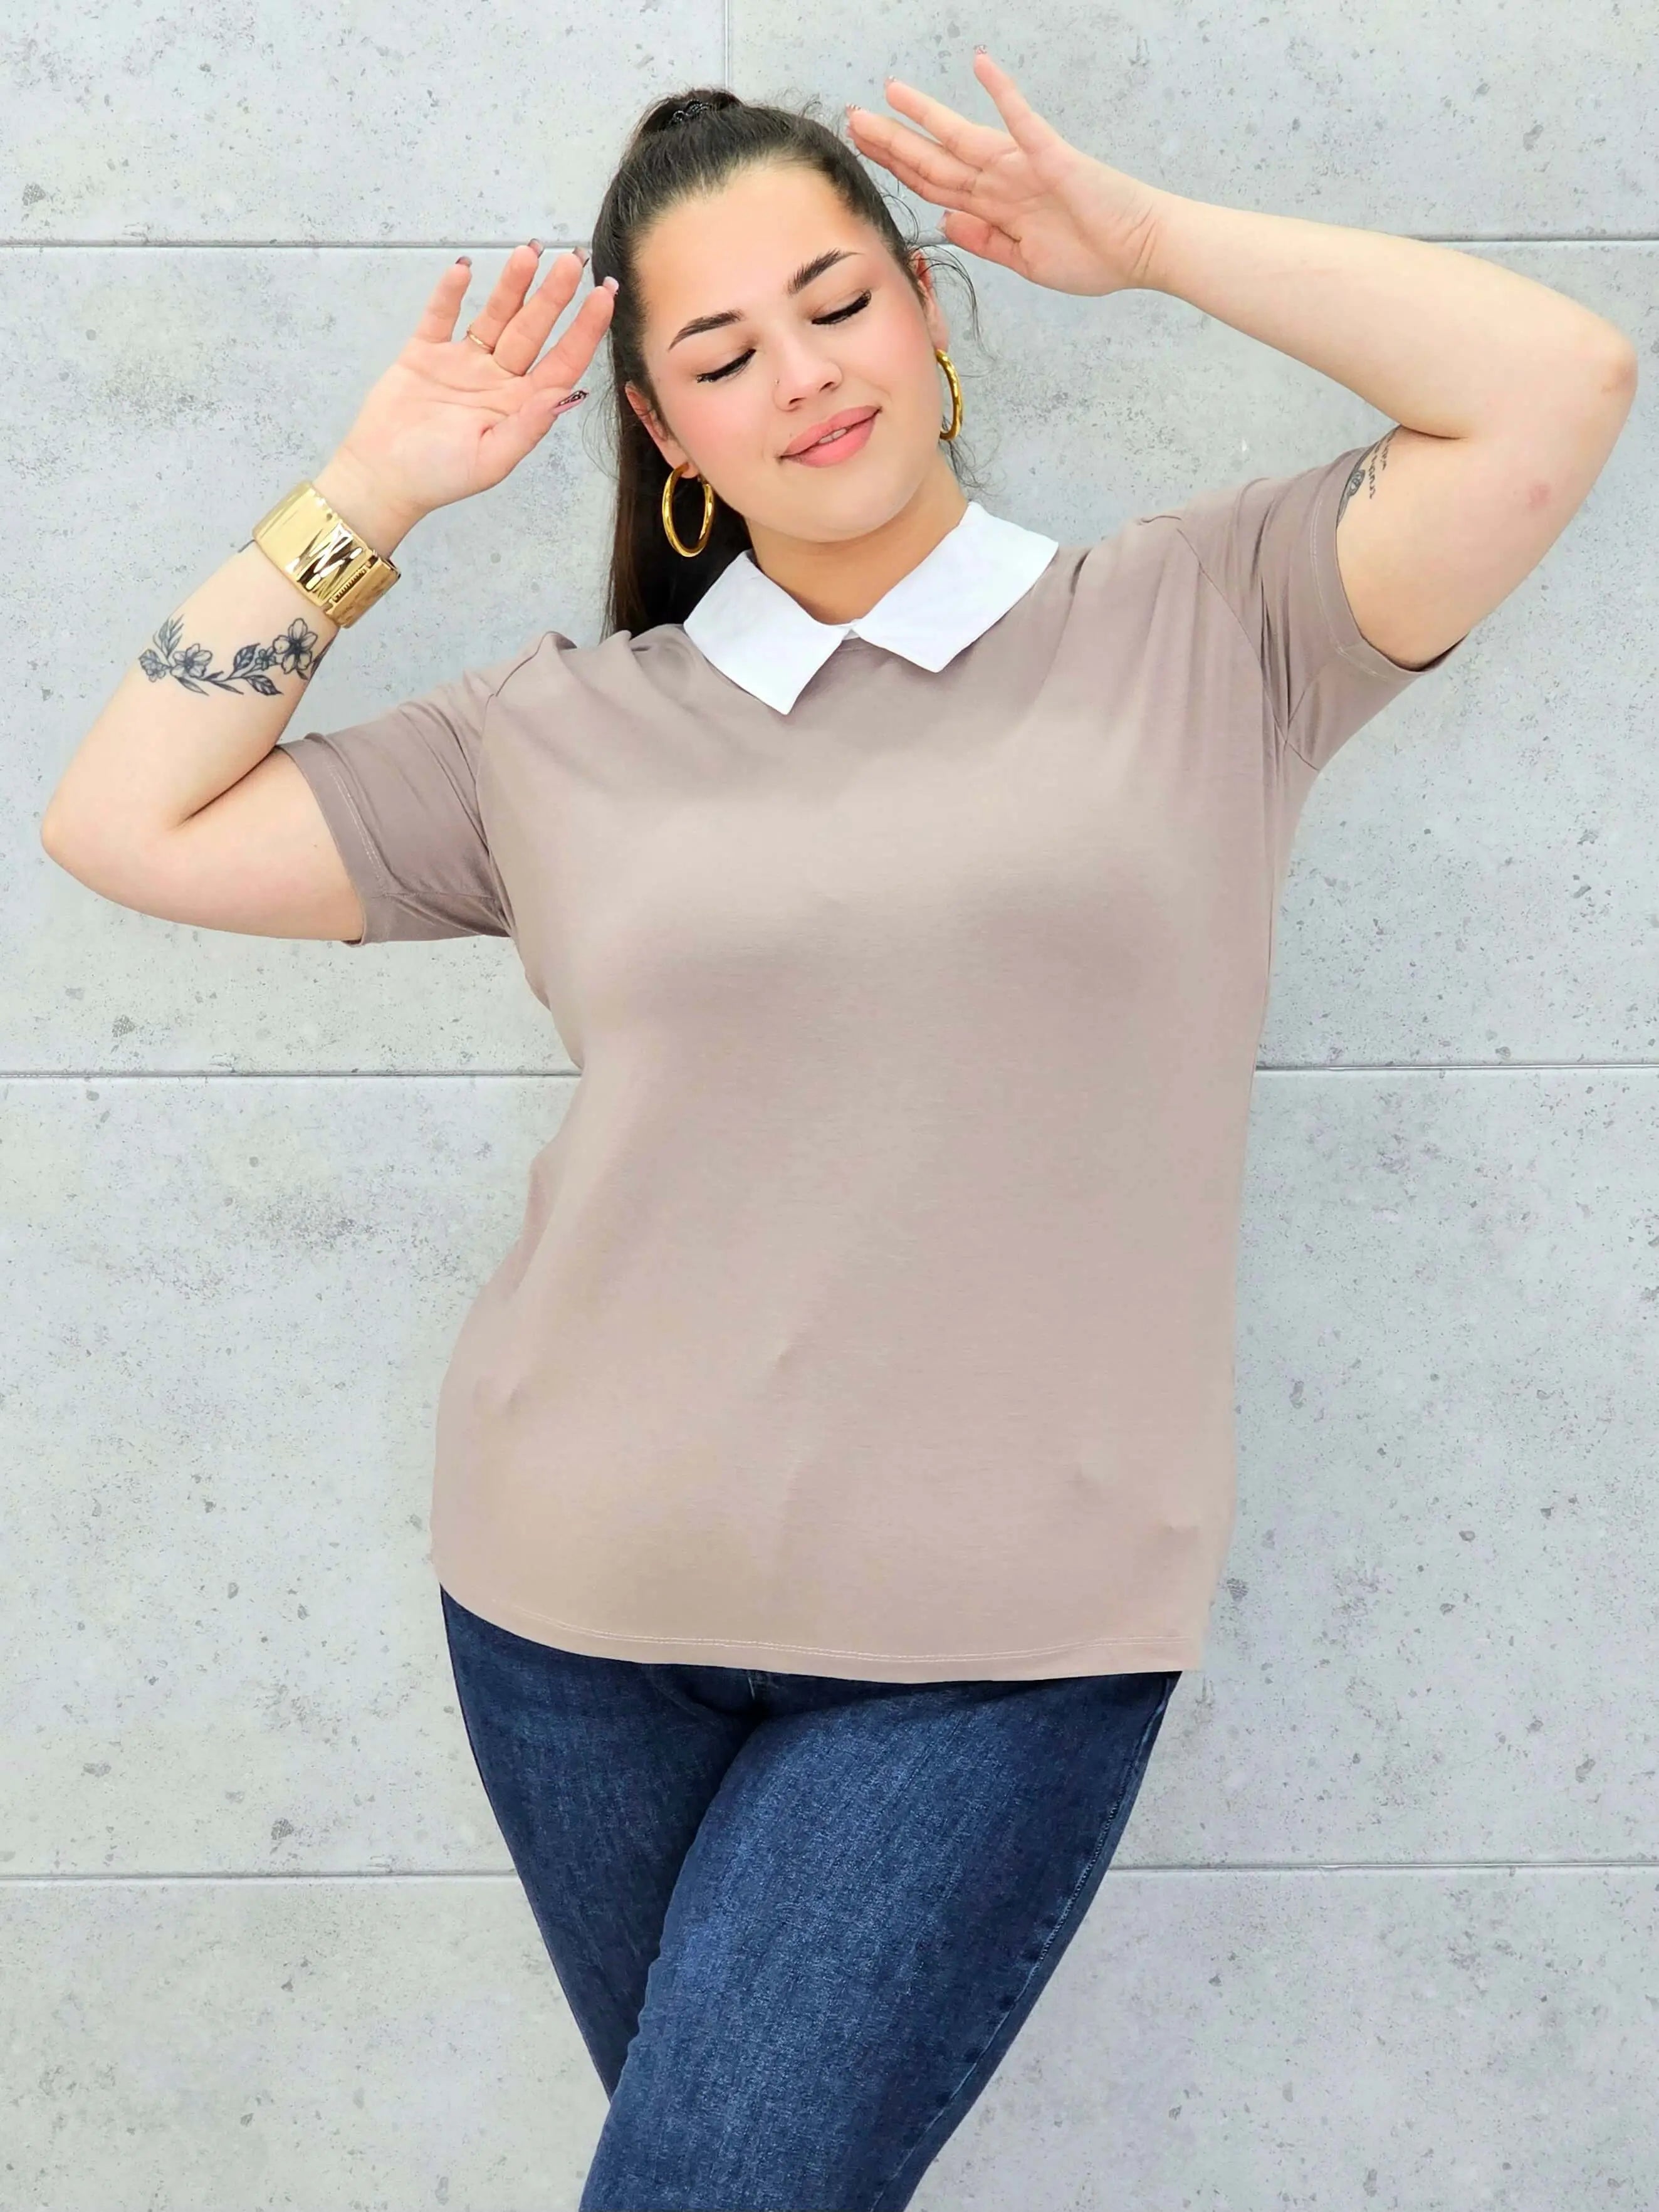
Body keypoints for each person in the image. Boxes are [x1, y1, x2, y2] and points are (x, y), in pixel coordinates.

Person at [40, 51, 1635, 2212]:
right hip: (575, 1614)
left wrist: (1149, 242)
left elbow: (1557, 383)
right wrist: (374, 488)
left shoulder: (1209, 624)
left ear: (927, 308)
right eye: (719, 355)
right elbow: (121, 819)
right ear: (664, 434)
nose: (798, 375)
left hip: (998, 1650)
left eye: (836, 301)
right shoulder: (554, 733)